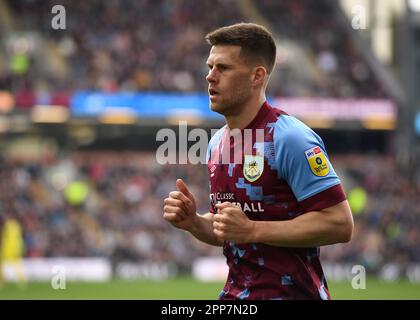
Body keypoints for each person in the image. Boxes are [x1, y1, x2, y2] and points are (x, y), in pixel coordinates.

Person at [163, 23, 354, 300]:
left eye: (223, 68)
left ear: (257, 76)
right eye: (210, 66)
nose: (210, 77)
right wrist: (193, 221)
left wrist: (253, 229)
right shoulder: (216, 144)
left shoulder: (290, 138)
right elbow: (226, 231)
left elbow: (340, 224)